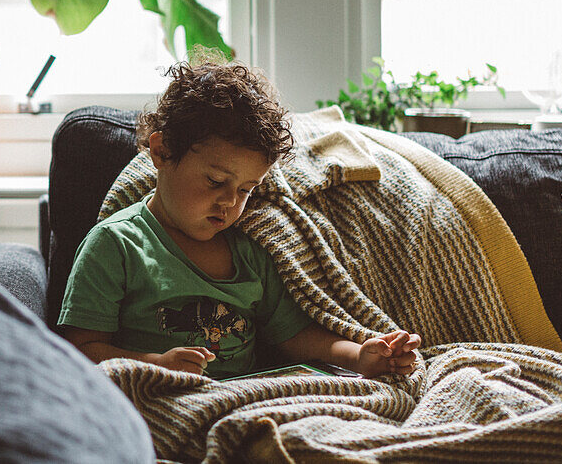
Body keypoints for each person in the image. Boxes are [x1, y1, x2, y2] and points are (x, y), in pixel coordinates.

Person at [58, 59, 421, 379]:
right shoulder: (115, 244)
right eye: (216, 181)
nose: (230, 202)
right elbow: (78, 353)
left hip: (242, 400)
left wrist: (360, 356)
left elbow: (294, 338)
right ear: (162, 151)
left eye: (247, 189)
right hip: (158, 395)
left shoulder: (250, 250)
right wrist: (154, 364)